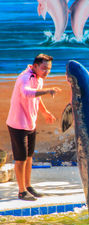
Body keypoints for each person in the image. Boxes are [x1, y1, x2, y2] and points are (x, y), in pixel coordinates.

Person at [6, 53, 61, 201]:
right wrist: (48, 91)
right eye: (44, 68)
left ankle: (28, 186)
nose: (47, 72)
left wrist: (45, 112)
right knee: (20, 159)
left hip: (30, 123)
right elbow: (26, 93)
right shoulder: (25, 77)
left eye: (49, 69)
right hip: (18, 125)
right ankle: (21, 191)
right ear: (35, 66)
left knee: (29, 157)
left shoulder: (38, 78)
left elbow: (37, 98)